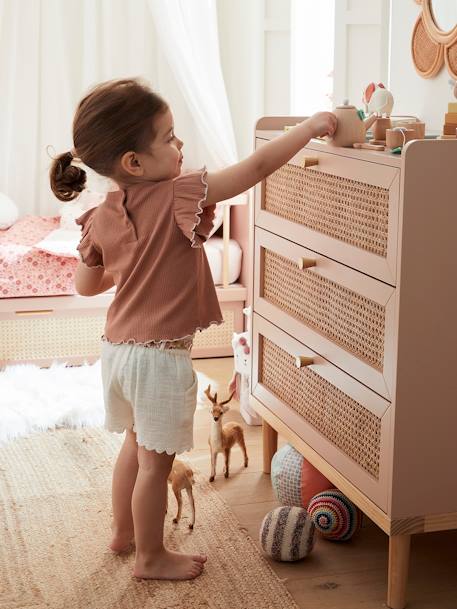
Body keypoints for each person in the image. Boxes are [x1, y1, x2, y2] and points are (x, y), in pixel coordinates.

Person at [49, 78, 337, 582]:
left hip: (117, 350)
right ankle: (150, 557)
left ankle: (123, 533)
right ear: (134, 162)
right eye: (170, 136)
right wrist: (309, 128)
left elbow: (86, 285)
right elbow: (256, 169)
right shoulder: (178, 191)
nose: (180, 145)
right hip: (159, 357)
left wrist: (119, 256)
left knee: (133, 449)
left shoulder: (99, 216)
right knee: (156, 465)